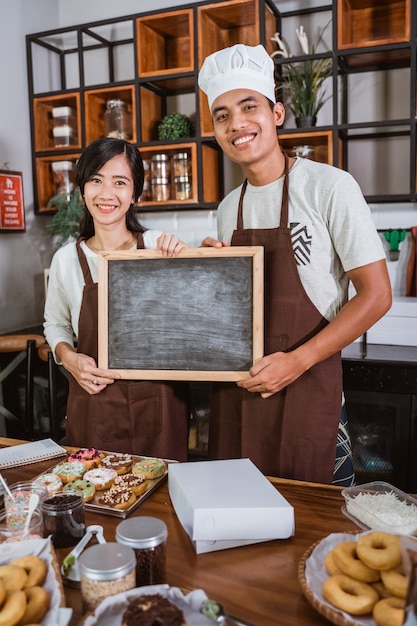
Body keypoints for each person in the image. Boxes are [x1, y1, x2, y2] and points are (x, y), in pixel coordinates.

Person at [198, 44, 392, 485]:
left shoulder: (330, 187)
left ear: (278, 114)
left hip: (311, 388)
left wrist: (296, 361)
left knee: (315, 536)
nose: (237, 124)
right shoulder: (229, 209)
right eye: (223, 115)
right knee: (238, 528)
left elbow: (377, 295)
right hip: (241, 396)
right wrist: (212, 274)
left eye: (249, 107)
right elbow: (236, 310)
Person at [44, 137, 189, 460]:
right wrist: (70, 359)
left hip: (159, 406)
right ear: (82, 191)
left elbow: (191, 318)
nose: (106, 193)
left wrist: (185, 258)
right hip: (94, 403)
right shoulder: (66, 259)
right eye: (96, 180)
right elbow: (55, 325)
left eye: (120, 182)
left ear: (135, 193)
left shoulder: (157, 246)